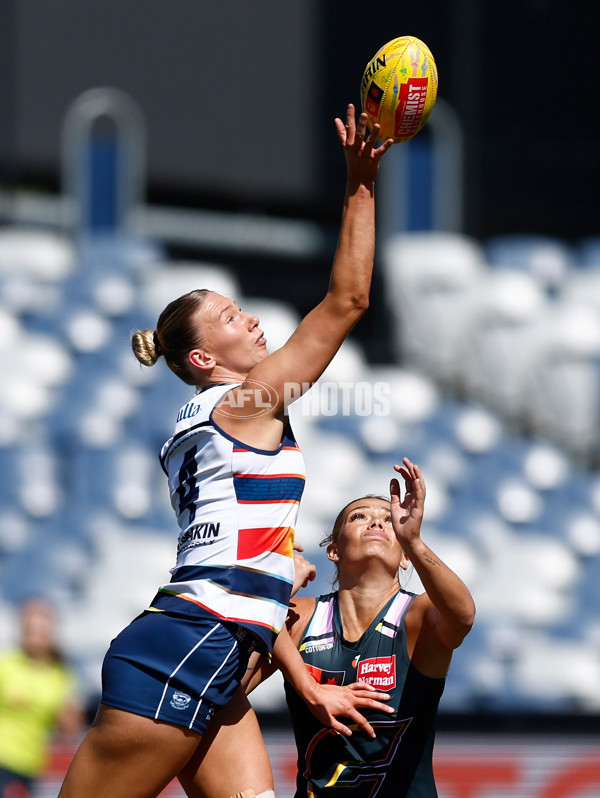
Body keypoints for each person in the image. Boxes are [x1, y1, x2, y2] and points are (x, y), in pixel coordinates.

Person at [58, 104, 394, 798]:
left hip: (208, 645)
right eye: (230, 318)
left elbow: (246, 575)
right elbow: (349, 300)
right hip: (189, 650)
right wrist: (361, 181)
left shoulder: (208, 419)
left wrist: (293, 613)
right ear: (204, 358)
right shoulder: (245, 404)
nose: (252, 319)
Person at [194, 458, 475, 798]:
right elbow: (224, 690)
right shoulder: (298, 616)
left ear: (405, 558)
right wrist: (276, 593)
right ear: (334, 551)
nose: (377, 521)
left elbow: (462, 616)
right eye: (359, 517)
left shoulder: (416, 616)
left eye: (388, 519)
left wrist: (414, 541)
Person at [0, 598, 85, 798]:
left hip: (27, 765)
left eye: (40, 630)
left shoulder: (60, 675)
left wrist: (69, 708)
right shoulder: (6, 664)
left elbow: (70, 730)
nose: (34, 637)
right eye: (30, 629)